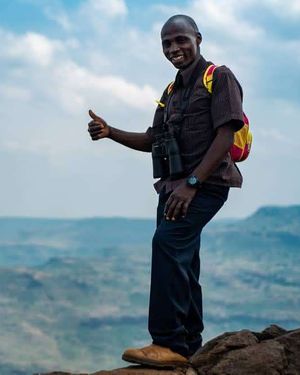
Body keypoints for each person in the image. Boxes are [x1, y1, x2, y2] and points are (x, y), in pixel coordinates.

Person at [87, 14, 244, 367]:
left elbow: (226, 134)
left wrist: (192, 184)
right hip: (174, 188)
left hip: (204, 185)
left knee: (168, 244)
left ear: (198, 39)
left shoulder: (219, 78)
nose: (174, 48)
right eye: (167, 43)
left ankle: (167, 342)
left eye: (180, 40)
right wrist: (111, 132)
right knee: (183, 259)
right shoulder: (172, 91)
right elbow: (153, 139)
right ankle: (188, 344)